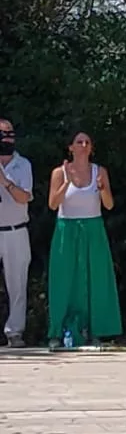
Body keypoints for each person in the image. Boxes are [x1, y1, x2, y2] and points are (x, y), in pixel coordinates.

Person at [45, 131, 121, 349]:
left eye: (87, 142)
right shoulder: (59, 173)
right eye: (79, 142)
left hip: (93, 228)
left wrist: (102, 188)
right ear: (71, 147)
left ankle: (96, 330)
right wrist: (67, 182)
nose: (84, 145)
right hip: (66, 229)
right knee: (63, 281)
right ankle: (58, 332)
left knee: (95, 280)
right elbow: (53, 204)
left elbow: (108, 205)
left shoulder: (100, 171)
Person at [0, 118, 34, 347]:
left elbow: (24, 197)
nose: (8, 137)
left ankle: (15, 333)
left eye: (10, 133)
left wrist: (5, 182)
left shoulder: (23, 165)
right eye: (3, 133)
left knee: (17, 284)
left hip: (16, 231)